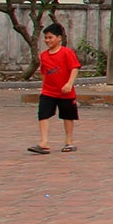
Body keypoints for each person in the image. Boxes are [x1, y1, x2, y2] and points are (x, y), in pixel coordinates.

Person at [29, 22, 81, 154]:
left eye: (50, 37)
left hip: (65, 92)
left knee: (67, 116)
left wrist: (69, 84)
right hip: (48, 92)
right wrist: (44, 86)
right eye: (46, 38)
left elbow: (74, 68)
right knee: (43, 114)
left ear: (59, 38)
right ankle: (44, 142)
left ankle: (69, 142)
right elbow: (44, 73)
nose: (47, 40)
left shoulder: (67, 53)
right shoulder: (44, 55)